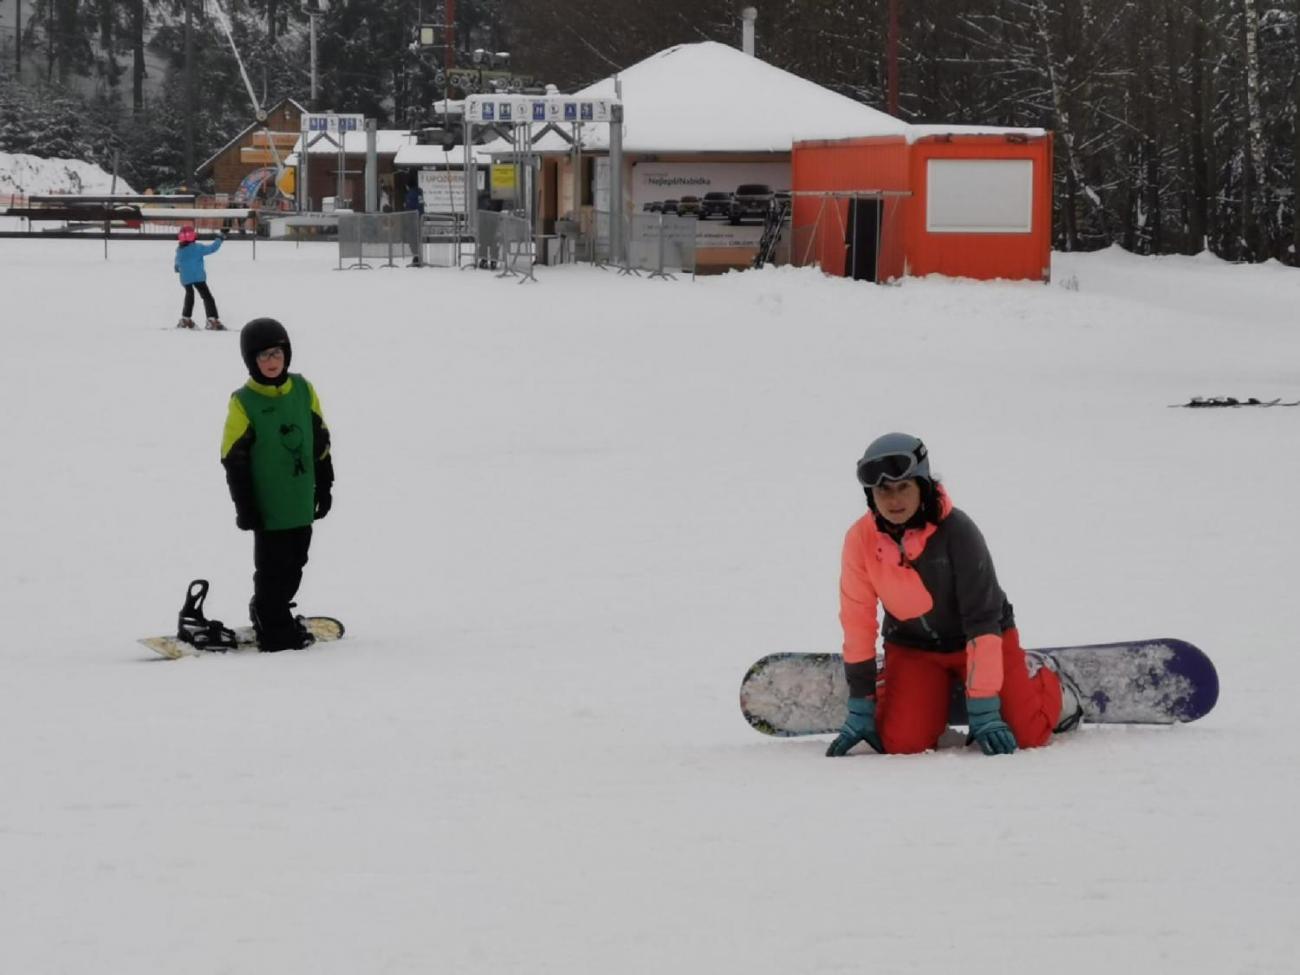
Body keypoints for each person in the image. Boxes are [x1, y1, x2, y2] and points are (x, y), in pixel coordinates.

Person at [826, 433, 1082, 757]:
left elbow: (982, 619)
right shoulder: (859, 540)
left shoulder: (958, 532)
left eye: (903, 486)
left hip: (983, 638)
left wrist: (986, 708)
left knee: (1028, 734)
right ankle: (886, 685)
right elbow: (857, 620)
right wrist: (861, 705)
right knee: (903, 745)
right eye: (883, 490)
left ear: (923, 485)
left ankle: (1045, 679)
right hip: (913, 648)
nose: (893, 500)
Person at [220, 318, 334, 652]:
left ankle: (272, 610)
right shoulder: (243, 401)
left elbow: (320, 440)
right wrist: (246, 506)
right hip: (268, 503)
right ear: (250, 361)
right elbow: (233, 458)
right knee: (272, 567)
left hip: (299, 498)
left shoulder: (303, 389)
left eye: (276, 353)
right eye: (262, 356)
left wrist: (325, 485)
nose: (271, 362)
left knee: (296, 562)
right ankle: (273, 624)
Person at [174, 225, 226, 330]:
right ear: (194, 236)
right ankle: (211, 320)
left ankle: (185, 319)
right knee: (207, 297)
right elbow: (212, 248)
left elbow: (176, 265)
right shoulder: (198, 248)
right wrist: (219, 239)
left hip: (185, 279)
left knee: (189, 296)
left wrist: (178, 268)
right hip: (198, 278)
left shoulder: (179, 251)